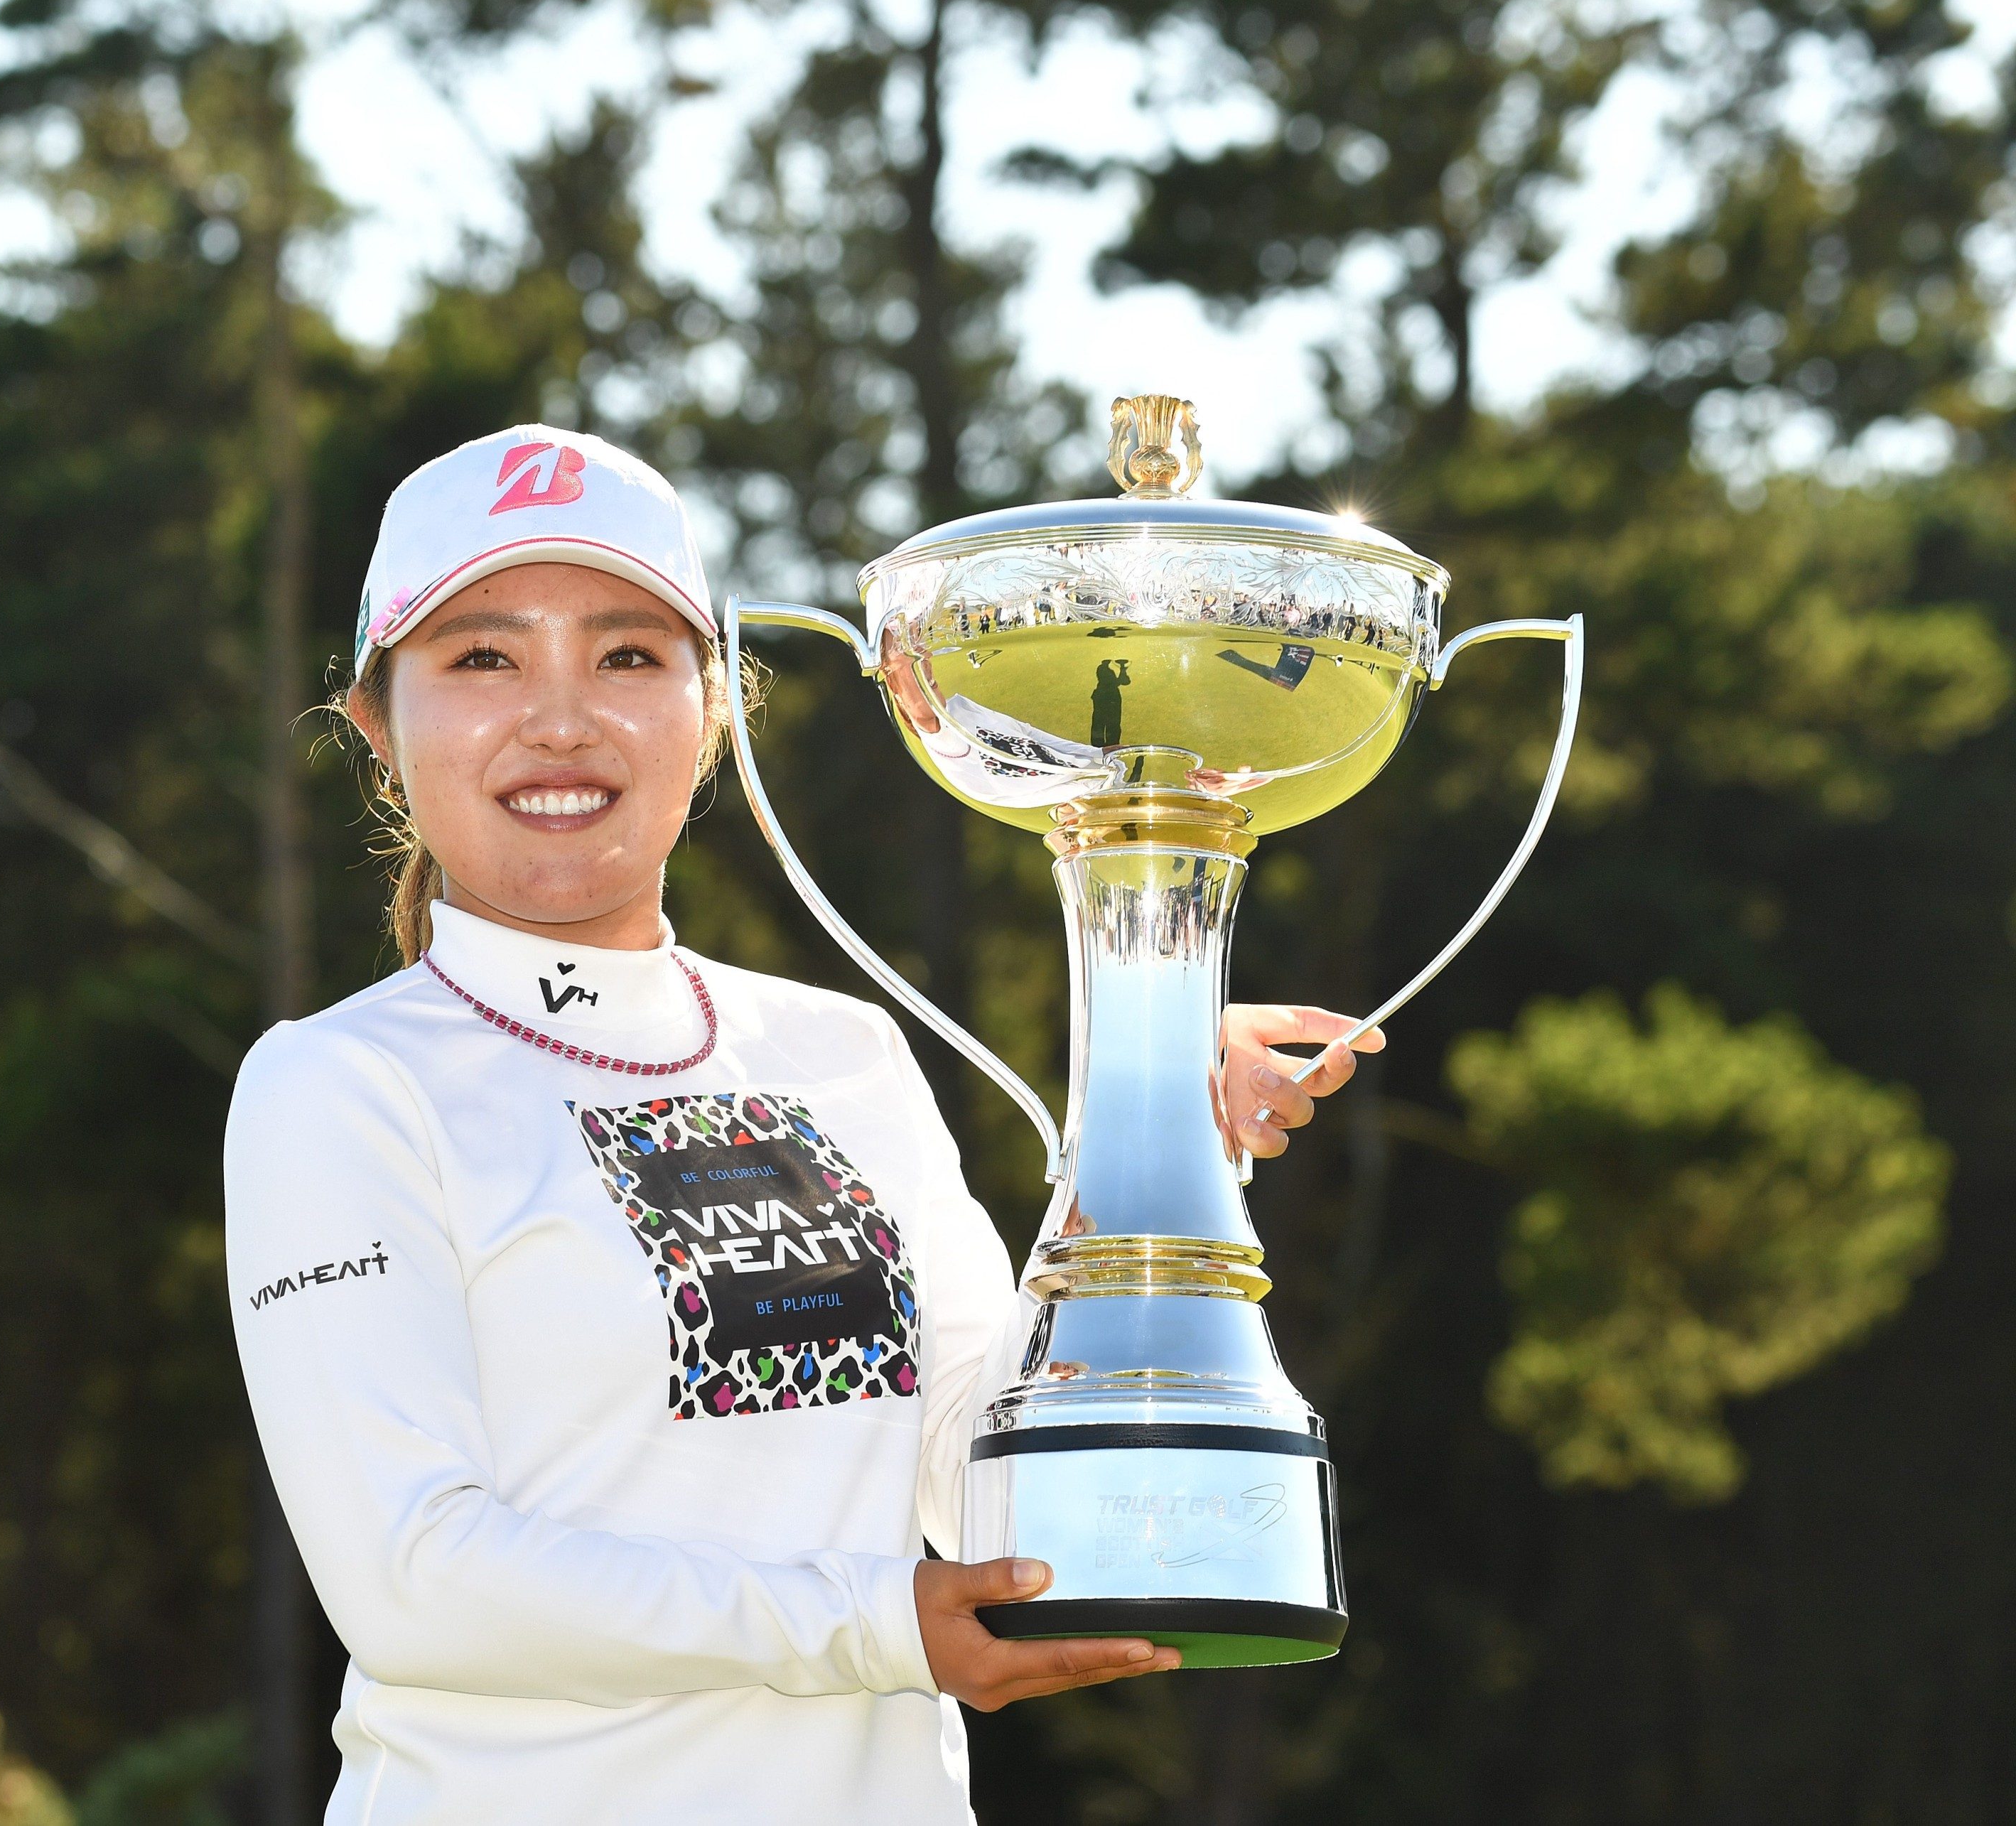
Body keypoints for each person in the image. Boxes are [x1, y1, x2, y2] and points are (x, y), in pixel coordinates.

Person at [223, 424, 1379, 1825]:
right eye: (481, 657)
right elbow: (415, 1579)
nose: (560, 716)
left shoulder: (841, 1054)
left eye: (627, 654)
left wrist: (1148, 1137)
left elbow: (977, 1480)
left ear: (715, 705)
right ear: (375, 724)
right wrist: (877, 1622)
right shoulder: (337, 1085)